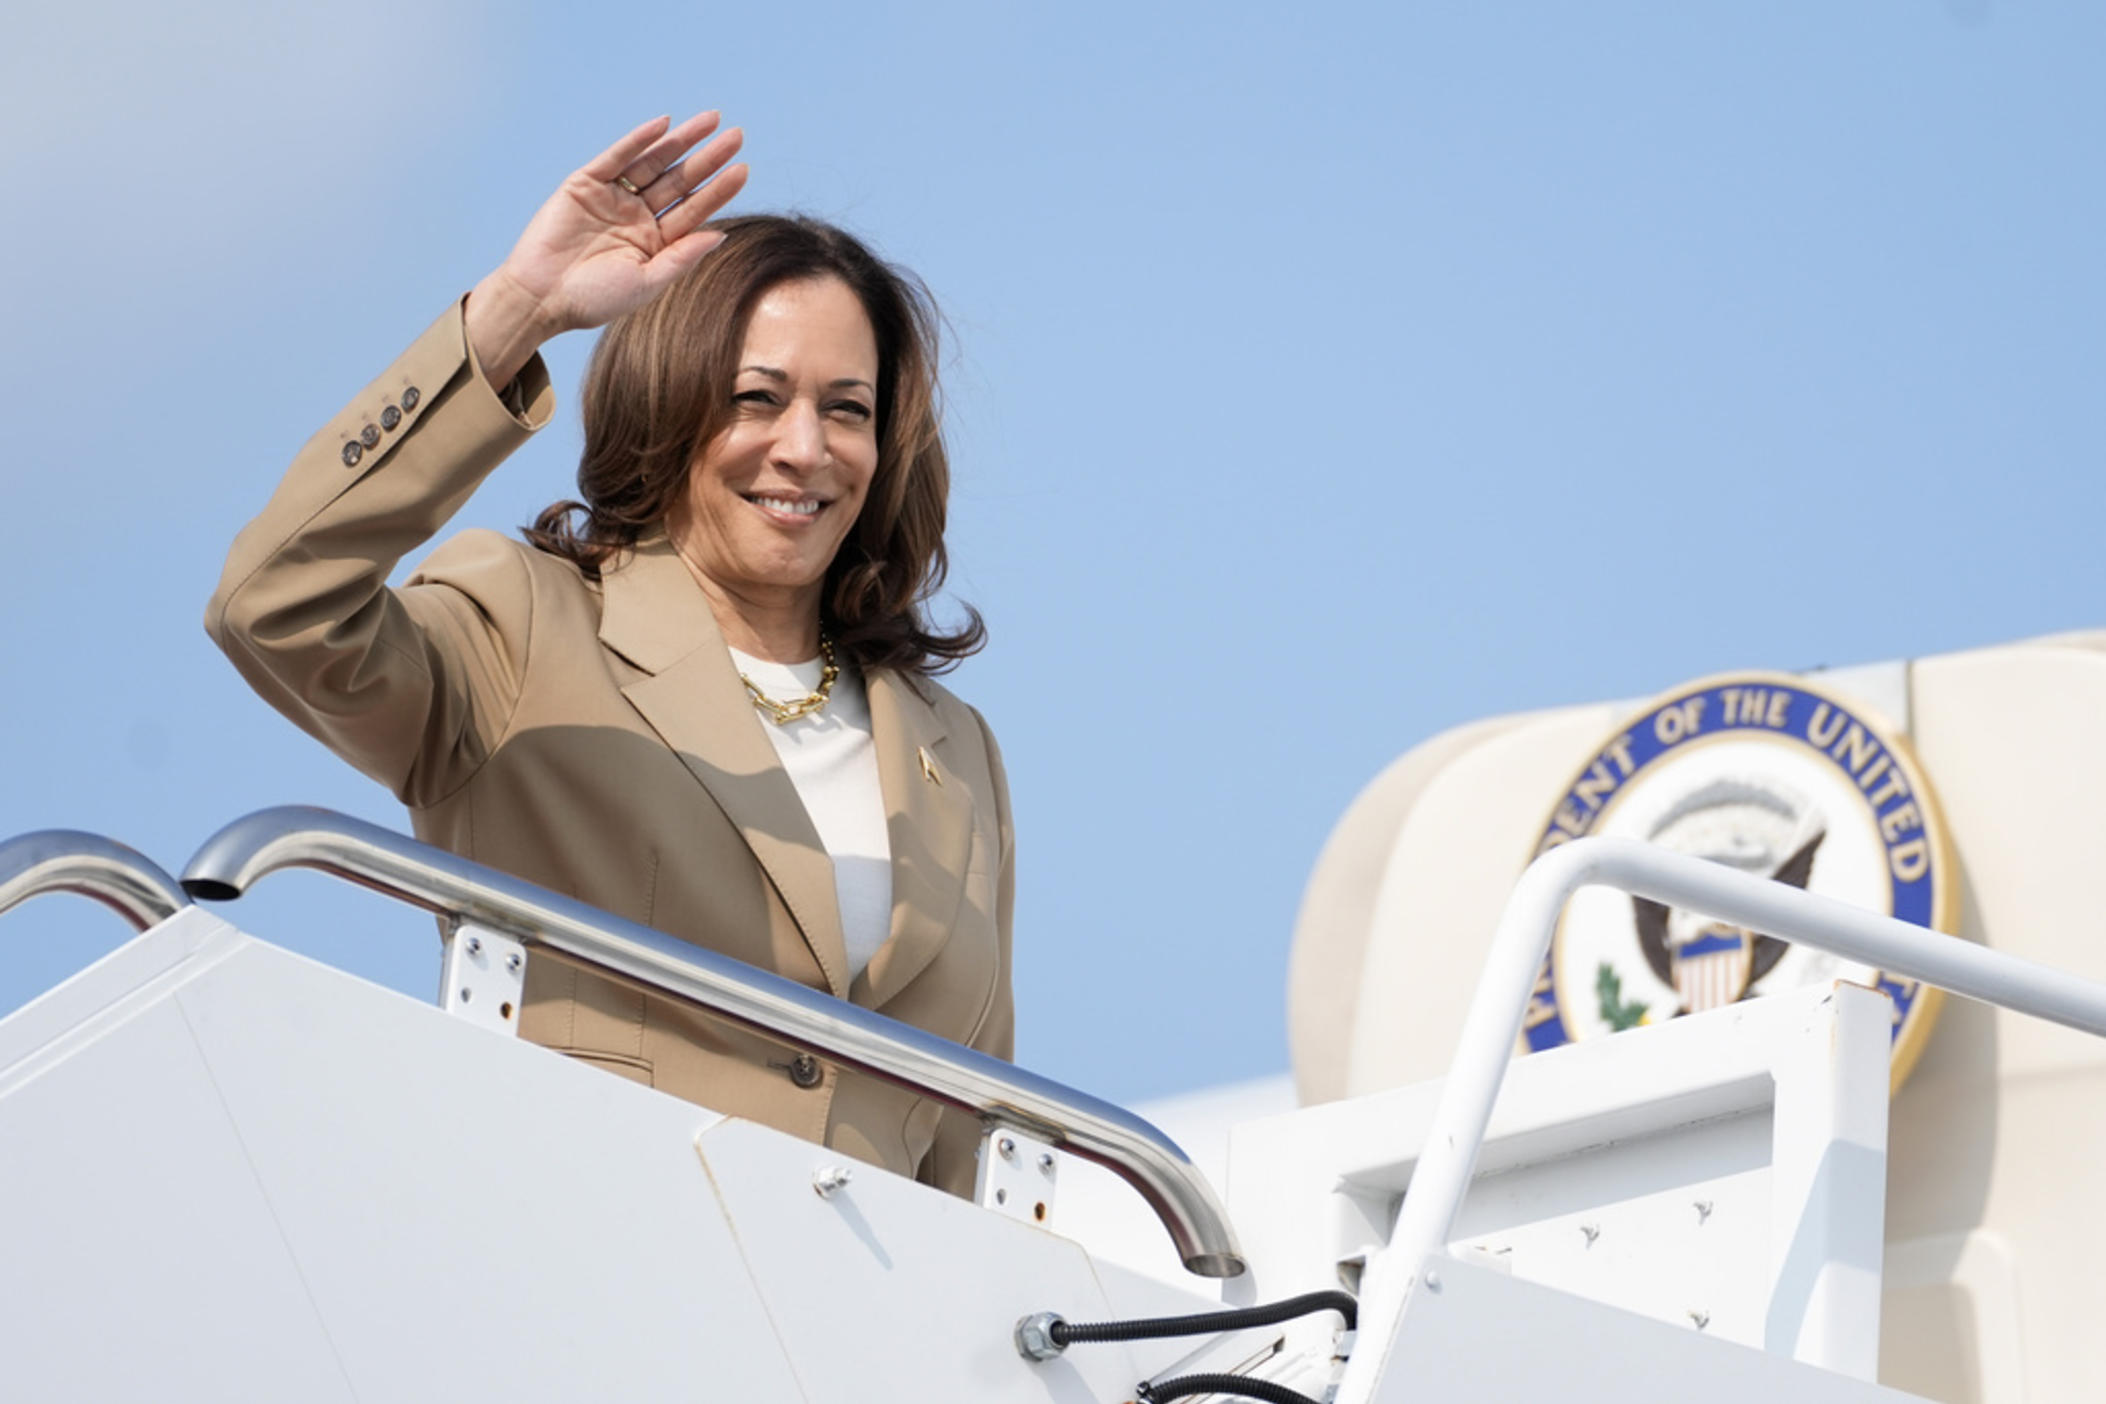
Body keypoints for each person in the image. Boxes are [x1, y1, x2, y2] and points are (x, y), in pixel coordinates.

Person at [206, 112, 1014, 1196]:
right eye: (757, 398)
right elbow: (272, 602)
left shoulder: (953, 753)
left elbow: (982, 1144)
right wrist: (514, 314)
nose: (806, 449)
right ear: (670, 402)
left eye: (848, 409)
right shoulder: (522, 628)